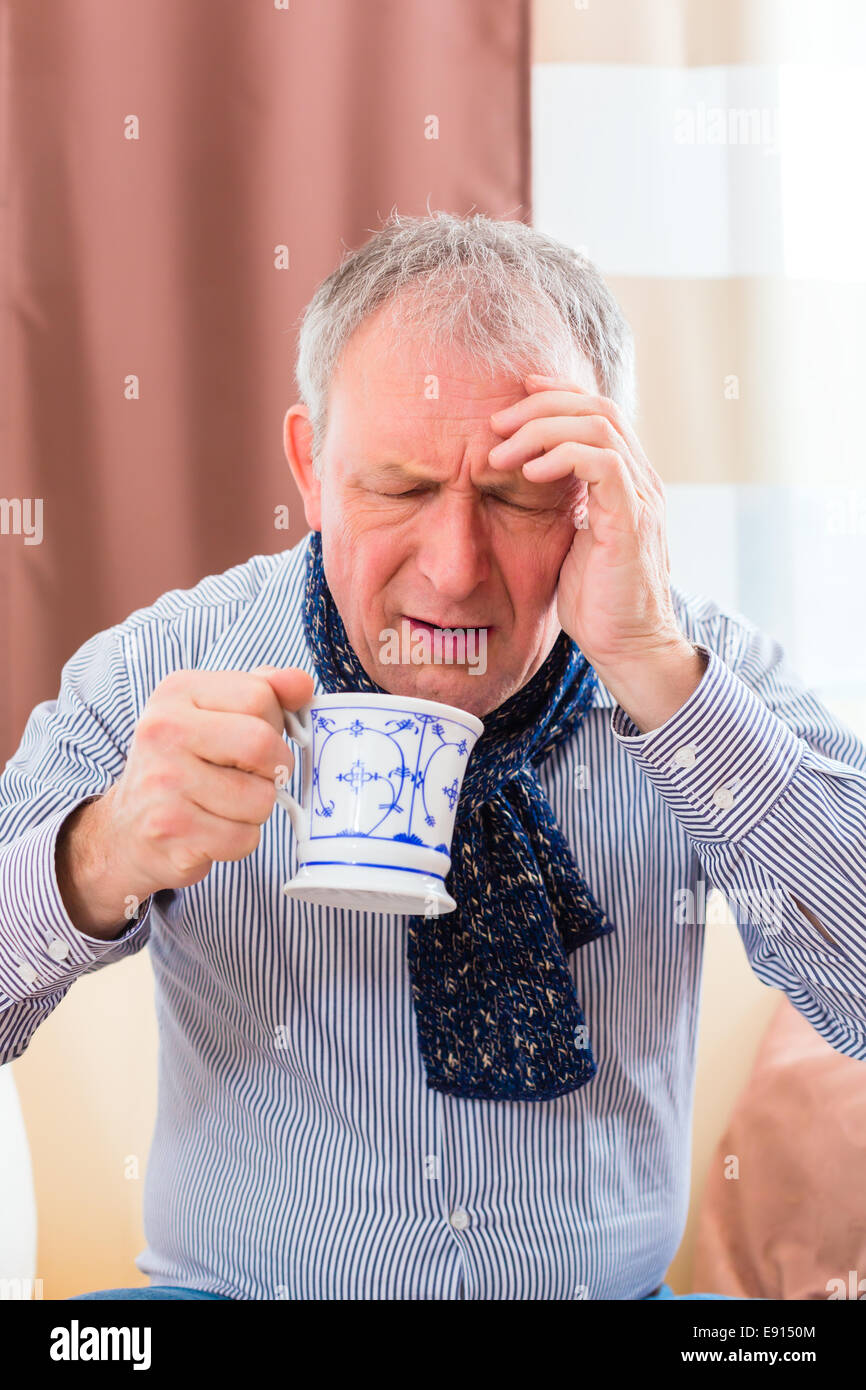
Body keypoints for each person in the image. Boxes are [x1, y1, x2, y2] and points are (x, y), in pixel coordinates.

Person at [2, 213, 864, 1302]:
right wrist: (99, 854)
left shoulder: (698, 671)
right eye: (400, 489)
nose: (453, 571)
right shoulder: (162, 668)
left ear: (607, 495)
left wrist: (654, 671)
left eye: (515, 495)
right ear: (311, 468)